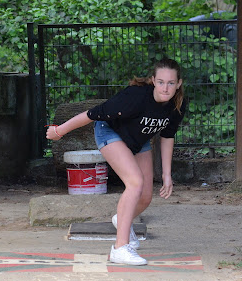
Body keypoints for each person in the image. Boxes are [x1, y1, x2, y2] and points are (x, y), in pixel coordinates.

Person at [46, 58, 187, 264]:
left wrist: (167, 174)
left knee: (146, 196)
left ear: (179, 84)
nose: (165, 88)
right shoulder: (135, 98)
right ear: (153, 81)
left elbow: (167, 135)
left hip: (138, 141)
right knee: (135, 182)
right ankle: (120, 248)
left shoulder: (177, 104)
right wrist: (59, 131)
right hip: (109, 132)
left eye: (171, 83)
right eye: (161, 82)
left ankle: (122, 219)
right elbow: (92, 114)